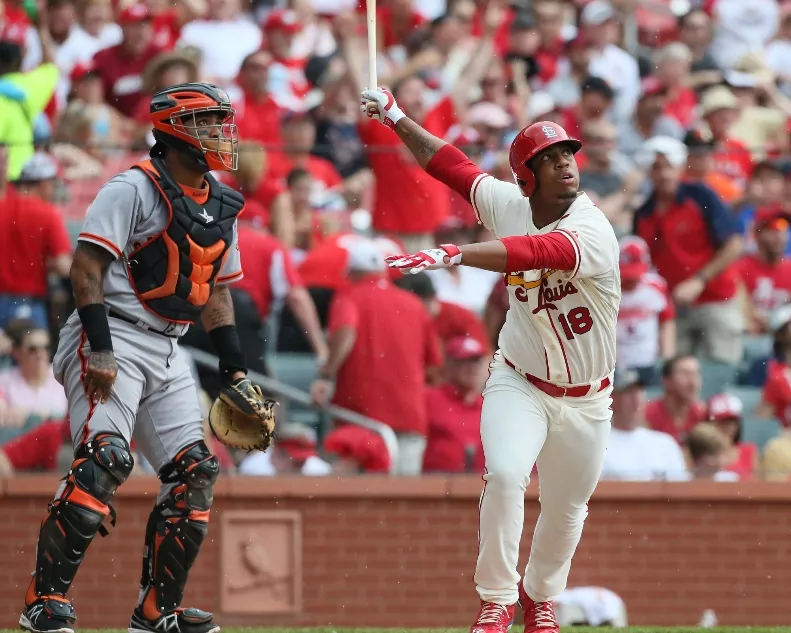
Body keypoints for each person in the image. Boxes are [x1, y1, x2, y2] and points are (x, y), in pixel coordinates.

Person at [361, 88, 619, 632]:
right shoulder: (512, 205)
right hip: (519, 379)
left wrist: (457, 253)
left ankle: (541, 597)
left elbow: (538, 253)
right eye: (548, 159)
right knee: (504, 476)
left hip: (589, 395)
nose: (564, 164)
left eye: (566, 153)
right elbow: (453, 167)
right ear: (527, 177)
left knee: (568, 508)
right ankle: (497, 600)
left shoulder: (593, 229)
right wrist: (397, 117)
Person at [18, 82, 263, 633]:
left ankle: (158, 613)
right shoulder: (132, 187)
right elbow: (86, 269)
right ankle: (43, 601)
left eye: (220, 121)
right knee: (104, 459)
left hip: (171, 343)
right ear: (174, 130)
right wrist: (100, 349)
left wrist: (235, 371)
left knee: (196, 471)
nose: (220, 134)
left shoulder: (222, 202)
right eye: (205, 123)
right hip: (111, 335)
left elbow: (216, 289)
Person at [309, 236, 442, 475]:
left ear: (350, 271)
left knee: (353, 503)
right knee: (405, 503)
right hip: (409, 417)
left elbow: (346, 333)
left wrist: (327, 374)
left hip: (360, 420)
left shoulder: (349, 296)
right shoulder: (414, 304)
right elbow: (434, 367)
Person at [633, 136, 744, 366]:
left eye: (668, 166)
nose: (663, 173)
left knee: (723, 370)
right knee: (673, 375)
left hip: (716, 299)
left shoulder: (701, 195)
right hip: (674, 308)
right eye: (656, 167)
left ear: (680, 167)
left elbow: (734, 244)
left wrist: (699, 280)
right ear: (648, 172)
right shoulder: (643, 213)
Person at [600, 367, 688, 481]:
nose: (636, 400)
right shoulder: (598, 444)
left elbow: (681, 488)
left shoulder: (665, 443)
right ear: (612, 398)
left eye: (640, 392)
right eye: (628, 393)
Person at [616, 236, 674, 385]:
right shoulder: (607, 288)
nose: (631, 279)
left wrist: (667, 359)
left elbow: (667, 322)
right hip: (616, 362)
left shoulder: (656, 285)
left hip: (648, 359)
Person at [423, 336, 487, 473]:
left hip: (480, 487)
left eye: (476, 362)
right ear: (449, 365)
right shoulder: (429, 398)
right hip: (434, 485)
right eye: (465, 362)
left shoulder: (489, 407)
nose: (472, 369)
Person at [645, 355, 706, 443]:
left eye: (696, 374)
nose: (693, 382)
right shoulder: (648, 415)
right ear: (666, 381)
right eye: (685, 374)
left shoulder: (703, 415)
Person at [705, 392, 758, 479]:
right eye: (721, 421)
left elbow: (757, 486)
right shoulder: (698, 454)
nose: (727, 426)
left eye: (731, 421)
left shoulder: (749, 451)